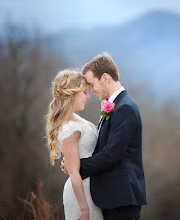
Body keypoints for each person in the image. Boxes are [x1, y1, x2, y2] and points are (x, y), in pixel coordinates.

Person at [62, 53, 147, 219]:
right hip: (113, 197)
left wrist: (76, 167)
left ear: (106, 78)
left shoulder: (125, 108)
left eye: (92, 84)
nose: (91, 91)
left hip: (121, 198)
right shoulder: (116, 105)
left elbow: (111, 155)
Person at [46, 69, 103, 220]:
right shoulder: (69, 128)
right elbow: (74, 172)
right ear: (72, 93)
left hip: (94, 190)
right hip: (81, 194)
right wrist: (83, 209)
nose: (88, 96)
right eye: (84, 92)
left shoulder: (76, 119)